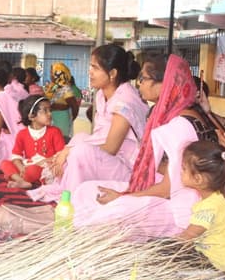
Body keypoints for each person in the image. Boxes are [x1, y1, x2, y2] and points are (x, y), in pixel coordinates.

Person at [71, 54, 225, 239]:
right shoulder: (173, 114)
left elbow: (168, 189)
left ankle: (79, 243)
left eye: (143, 78)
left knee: (115, 210)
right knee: (87, 191)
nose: (139, 83)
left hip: (179, 209)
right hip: (162, 190)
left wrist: (122, 197)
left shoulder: (180, 125)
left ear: (164, 84)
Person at [28, 45, 148, 202]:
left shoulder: (125, 101)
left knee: (80, 150)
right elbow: (98, 137)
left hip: (128, 169)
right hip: (110, 162)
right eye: (90, 66)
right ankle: (66, 189)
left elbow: (111, 148)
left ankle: (71, 200)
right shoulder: (101, 95)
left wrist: (69, 151)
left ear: (112, 73)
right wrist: (68, 149)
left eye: (95, 68)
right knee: (80, 138)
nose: (89, 72)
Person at [175, 141, 225, 273]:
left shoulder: (209, 207)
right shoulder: (217, 197)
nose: (181, 172)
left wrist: (163, 247)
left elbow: (189, 236)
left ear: (198, 179)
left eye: (184, 169)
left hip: (218, 265)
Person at [0, 95, 65, 189]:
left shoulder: (55, 131)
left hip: (45, 167)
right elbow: (16, 156)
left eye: (50, 110)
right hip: (27, 166)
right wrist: (21, 168)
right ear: (31, 116)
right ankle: (21, 181)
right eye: (45, 110)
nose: (50, 114)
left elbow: (61, 154)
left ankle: (20, 179)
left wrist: (43, 161)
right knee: (4, 163)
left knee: (32, 170)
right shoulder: (22, 134)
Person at [44, 62, 79, 139]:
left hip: (61, 119)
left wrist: (70, 119)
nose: (50, 75)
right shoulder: (52, 87)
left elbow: (75, 107)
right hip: (51, 118)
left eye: (52, 72)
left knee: (60, 140)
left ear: (58, 73)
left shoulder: (65, 89)